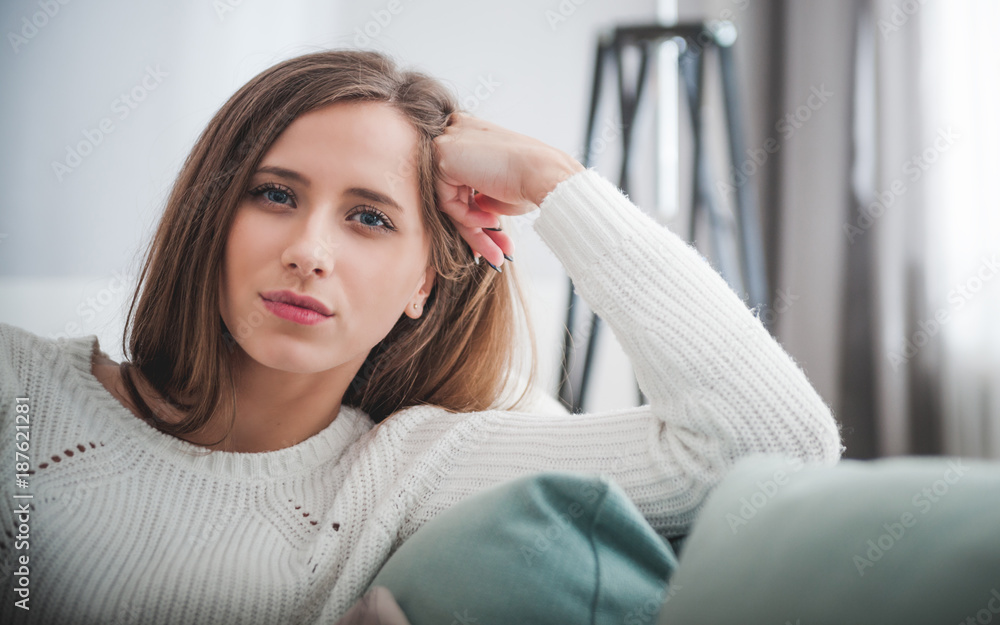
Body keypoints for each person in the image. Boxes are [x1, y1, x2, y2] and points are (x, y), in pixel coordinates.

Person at [0, 49, 843, 624]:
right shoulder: (23, 389)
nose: (308, 252)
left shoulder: (408, 470)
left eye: (368, 217)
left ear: (422, 284)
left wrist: (558, 186)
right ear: (210, 218)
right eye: (274, 194)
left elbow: (771, 445)